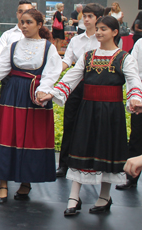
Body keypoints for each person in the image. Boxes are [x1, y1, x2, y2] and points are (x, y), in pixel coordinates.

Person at [40, 16, 142, 216]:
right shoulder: (88, 56)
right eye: (98, 29)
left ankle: (104, 197)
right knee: (81, 149)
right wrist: (52, 92)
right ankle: (73, 198)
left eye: (104, 29)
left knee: (107, 152)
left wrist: (135, 98)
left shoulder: (124, 57)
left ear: (114, 32)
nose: (99, 32)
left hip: (112, 113)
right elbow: (71, 77)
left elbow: (133, 80)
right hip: (87, 110)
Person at [0, 9, 61, 204]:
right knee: (7, 135)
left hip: (34, 95)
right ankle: (3, 184)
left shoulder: (49, 48)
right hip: (12, 94)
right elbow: (1, 68)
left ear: (40, 25)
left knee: (30, 138)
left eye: (29, 22)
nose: (24, 26)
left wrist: (43, 90)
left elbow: (51, 73)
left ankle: (26, 181)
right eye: (22, 22)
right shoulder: (13, 46)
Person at [56, 3, 103, 178]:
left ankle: (91, 165)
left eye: (90, 16)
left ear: (98, 18)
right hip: (76, 85)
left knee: (93, 126)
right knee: (70, 124)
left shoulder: (103, 40)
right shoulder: (76, 40)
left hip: (97, 86)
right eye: (84, 16)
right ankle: (63, 164)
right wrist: (53, 74)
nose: (86, 19)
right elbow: (67, 61)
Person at [116, 35, 142, 190]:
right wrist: (136, 96)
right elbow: (134, 72)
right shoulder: (140, 43)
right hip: (141, 96)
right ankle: (131, 178)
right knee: (136, 136)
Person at [0, 0, 34, 65]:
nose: (23, 14)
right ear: (17, 14)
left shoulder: (40, 35)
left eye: (27, 12)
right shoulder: (7, 35)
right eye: (20, 12)